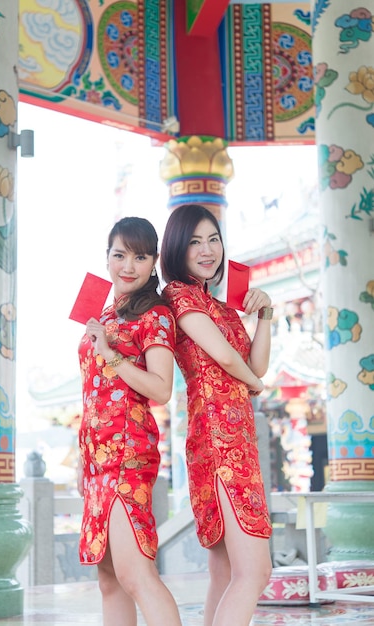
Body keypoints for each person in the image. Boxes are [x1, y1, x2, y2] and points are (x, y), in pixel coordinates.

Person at [160, 204, 273, 626]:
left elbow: (255, 363)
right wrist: (256, 386)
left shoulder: (220, 305)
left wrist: (265, 315)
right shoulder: (180, 294)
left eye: (213, 239)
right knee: (255, 571)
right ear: (176, 247)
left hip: (236, 438)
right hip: (217, 439)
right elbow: (227, 359)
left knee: (226, 572)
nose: (208, 250)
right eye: (195, 241)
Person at [77, 216, 182, 626]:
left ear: (153, 262)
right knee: (109, 579)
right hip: (96, 460)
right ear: (107, 258)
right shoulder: (103, 315)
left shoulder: (155, 316)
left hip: (127, 454)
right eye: (119, 255)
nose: (128, 266)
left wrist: (110, 352)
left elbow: (161, 388)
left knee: (136, 574)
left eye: (140, 257)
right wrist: (83, 458)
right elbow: (91, 390)